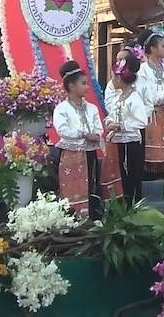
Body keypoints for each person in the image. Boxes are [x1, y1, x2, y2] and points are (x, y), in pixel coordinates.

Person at [53, 61, 103, 217]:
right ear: (71, 86)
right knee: (71, 188)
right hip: (70, 154)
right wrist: (83, 134)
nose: (87, 87)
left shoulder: (91, 108)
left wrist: (96, 135)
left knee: (91, 186)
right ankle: (71, 220)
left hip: (89, 153)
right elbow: (62, 130)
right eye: (83, 83)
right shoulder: (62, 109)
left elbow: (98, 128)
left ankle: (93, 219)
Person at [103, 53, 147, 206]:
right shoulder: (119, 97)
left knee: (132, 174)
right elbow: (112, 115)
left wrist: (123, 126)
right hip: (119, 141)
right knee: (122, 173)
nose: (112, 81)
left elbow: (142, 121)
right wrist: (110, 122)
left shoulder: (134, 98)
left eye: (114, 77)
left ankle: (135, 205)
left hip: (131, 142)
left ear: (120, 79)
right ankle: (125, 205)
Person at [136, 29, 164, 179]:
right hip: (151, 112)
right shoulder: (143, 70)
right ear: (152, 49)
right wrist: (157, 100)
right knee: (150, 143)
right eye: (162, 46)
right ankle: (150, 174)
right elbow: (143, 91)